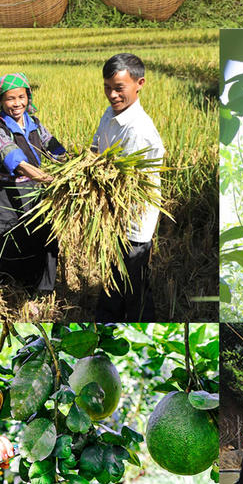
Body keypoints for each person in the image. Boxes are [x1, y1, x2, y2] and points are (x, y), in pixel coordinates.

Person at [0, 73, 67, 294]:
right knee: (5, 239)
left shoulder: (35, 125)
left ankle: (40, 289)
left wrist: (76, 166)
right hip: (3, 193)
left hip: (32, 190)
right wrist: (51, 180)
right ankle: (6, 290)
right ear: (1, 101)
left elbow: (56, 150)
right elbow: (18, 163)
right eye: (10, 98)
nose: (17, 103)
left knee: (41, 235)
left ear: (28, 97)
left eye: (21, 97)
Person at [91, 53, 164, 320]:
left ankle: (140, 323)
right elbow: (96, 148)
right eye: (107, 87)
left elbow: (124, 181)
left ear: (139, 83)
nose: (112, 95)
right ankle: (106, 319)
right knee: (114, 273)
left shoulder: (138, 129)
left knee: (134, 283)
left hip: (134, 217)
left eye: (119, 88)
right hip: (113, 214)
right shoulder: (110, 114)